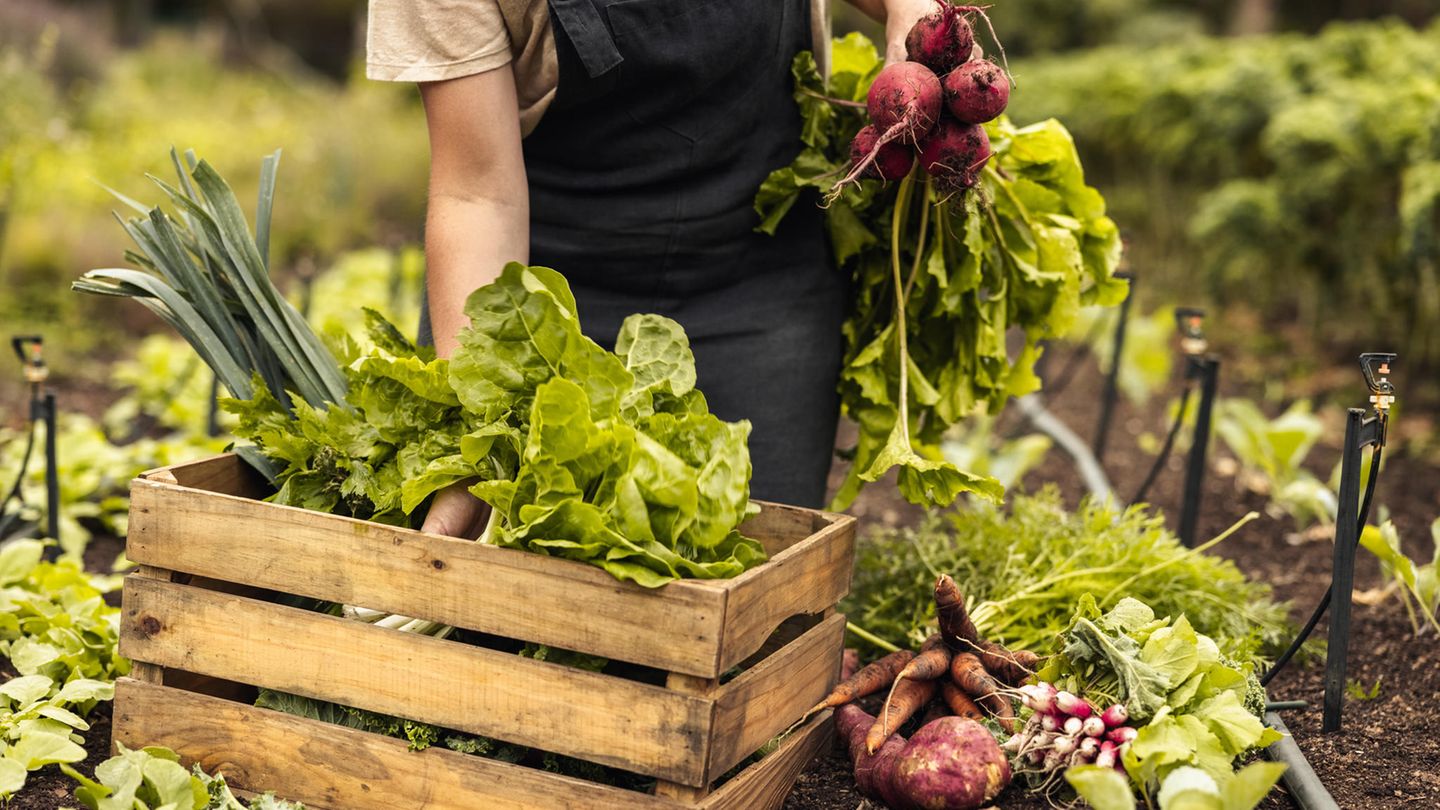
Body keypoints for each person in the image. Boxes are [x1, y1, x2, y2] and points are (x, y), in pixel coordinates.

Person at [366, 0, 932, 537]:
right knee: (507, 615)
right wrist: (477, 430)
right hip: (544, 308)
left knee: (758, 601)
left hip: (763, 274)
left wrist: (912, 15)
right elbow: (477, 195)